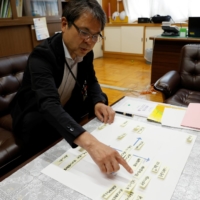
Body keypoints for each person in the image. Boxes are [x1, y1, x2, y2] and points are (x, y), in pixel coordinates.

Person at [10, 0, 133, 175]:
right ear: (64, 24)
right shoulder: (42, 56)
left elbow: (92, 81)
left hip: (65, 106)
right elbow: (48, 104)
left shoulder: (86, 52)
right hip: (35, 115)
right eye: (84, 32)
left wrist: (98, 102)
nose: (89, 42)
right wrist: (91, 143)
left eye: (95, 36)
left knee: (100, 100)